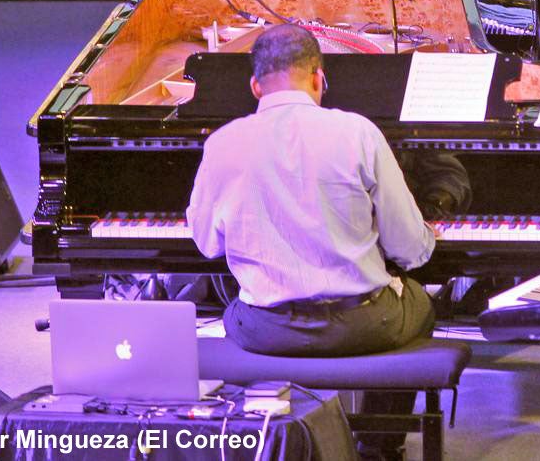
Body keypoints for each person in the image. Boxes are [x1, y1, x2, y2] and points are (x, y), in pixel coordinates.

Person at [187, 25, 436, 458]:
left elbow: (208, 244)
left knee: (229, 300)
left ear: (254, 86)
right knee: (424, 302)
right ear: (319, 78)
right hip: (363, 327)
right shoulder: (359, 132)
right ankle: (379, 444)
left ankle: (265, 435)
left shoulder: (222, 143)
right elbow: (410, 249)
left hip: (266, 330)